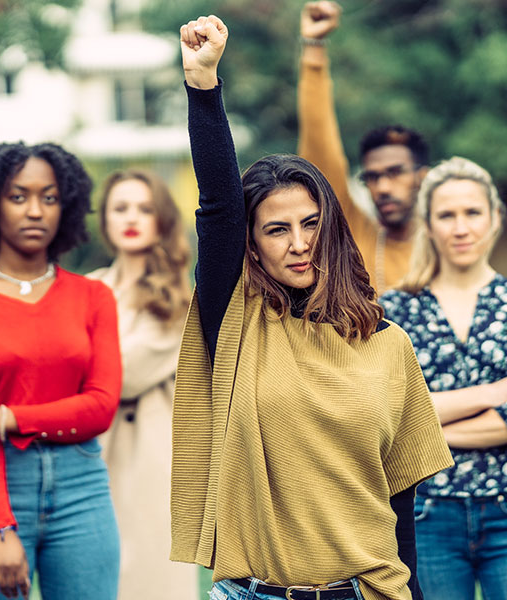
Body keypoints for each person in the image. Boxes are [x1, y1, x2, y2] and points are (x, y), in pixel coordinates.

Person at [171, 15, 453, 600]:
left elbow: (399, 509)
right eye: (276, 230)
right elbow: (219, 208)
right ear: (252, 244)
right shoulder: (238, 323)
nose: (298, 243)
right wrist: (204, 87)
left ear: (331, 229)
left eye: (310, 224)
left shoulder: (386, 342)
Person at [379, 157, 507, 600]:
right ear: (428, 224)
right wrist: (490, 394)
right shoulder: (396, 312)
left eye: (472, 213)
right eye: (447, 215)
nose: (460, 228)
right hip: (424, 517)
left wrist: (426, 422)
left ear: (495, 218)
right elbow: (388, 416)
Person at [0, 142, 121, 600]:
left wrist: (8, 418)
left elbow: (101, 406)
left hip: (82, 484)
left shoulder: (93, 297)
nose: (35, 211)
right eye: (18, 196)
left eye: (49, 197)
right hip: (0, 483)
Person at [88, 168, 197, 600]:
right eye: (120, 208)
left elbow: (126, 375)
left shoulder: (175, 298)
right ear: (106, 220)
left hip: (150, 461)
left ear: (161, 220)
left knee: (150, 581)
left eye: (144, 208)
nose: (131, 217)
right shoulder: (88, 286)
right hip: (88, 452)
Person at [298, 1, 429, 293]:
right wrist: (314, 46)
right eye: (372, 177)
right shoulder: (355, 235)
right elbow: (319, 144)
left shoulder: (447, 246)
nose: (382, 187)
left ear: (422, 176)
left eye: (395, 173)